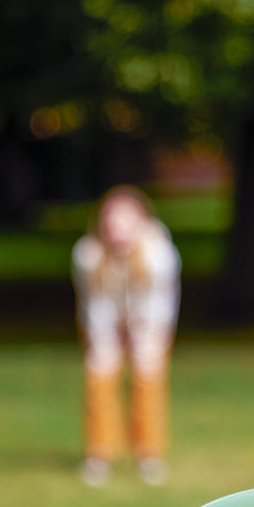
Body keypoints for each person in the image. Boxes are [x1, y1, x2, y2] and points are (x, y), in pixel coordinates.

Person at [72, 185, 181, 486]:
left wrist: (141, 336)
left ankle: (149, 454)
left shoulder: (159, 254)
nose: (117, 229)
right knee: (99, 375)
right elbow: (95, 304)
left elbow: (158, 304)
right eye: (111, 220)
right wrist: (107, 339)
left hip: (149, 323)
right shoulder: (88, 254)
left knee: (148, 379)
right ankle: (99, 454)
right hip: (104, 322)